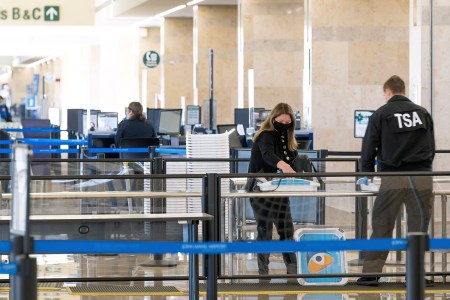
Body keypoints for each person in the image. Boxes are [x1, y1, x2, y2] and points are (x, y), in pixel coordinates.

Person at [357, 75, 435, 287]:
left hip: (393, 177)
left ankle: (371, 275)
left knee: (382, 224)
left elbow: (368, 146)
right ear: (404, 90)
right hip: (422, 177)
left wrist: (366, 172)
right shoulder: (423, 113)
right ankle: (416, 274)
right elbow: (431, 145)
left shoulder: (382, 113)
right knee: (418, 226)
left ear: (388, 92)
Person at [248, 102, 298, 277]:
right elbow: (268, 155)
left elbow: (291, 159)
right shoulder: (266, 135)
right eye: (281, 121)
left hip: (278, 188)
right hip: (260, 189)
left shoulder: (288, 139)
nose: (284, 125)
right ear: (273, 119)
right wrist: (284, 165)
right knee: (265, 230)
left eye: (287, 123)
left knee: (286, 229)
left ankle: (293, 271)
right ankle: (264, 272)